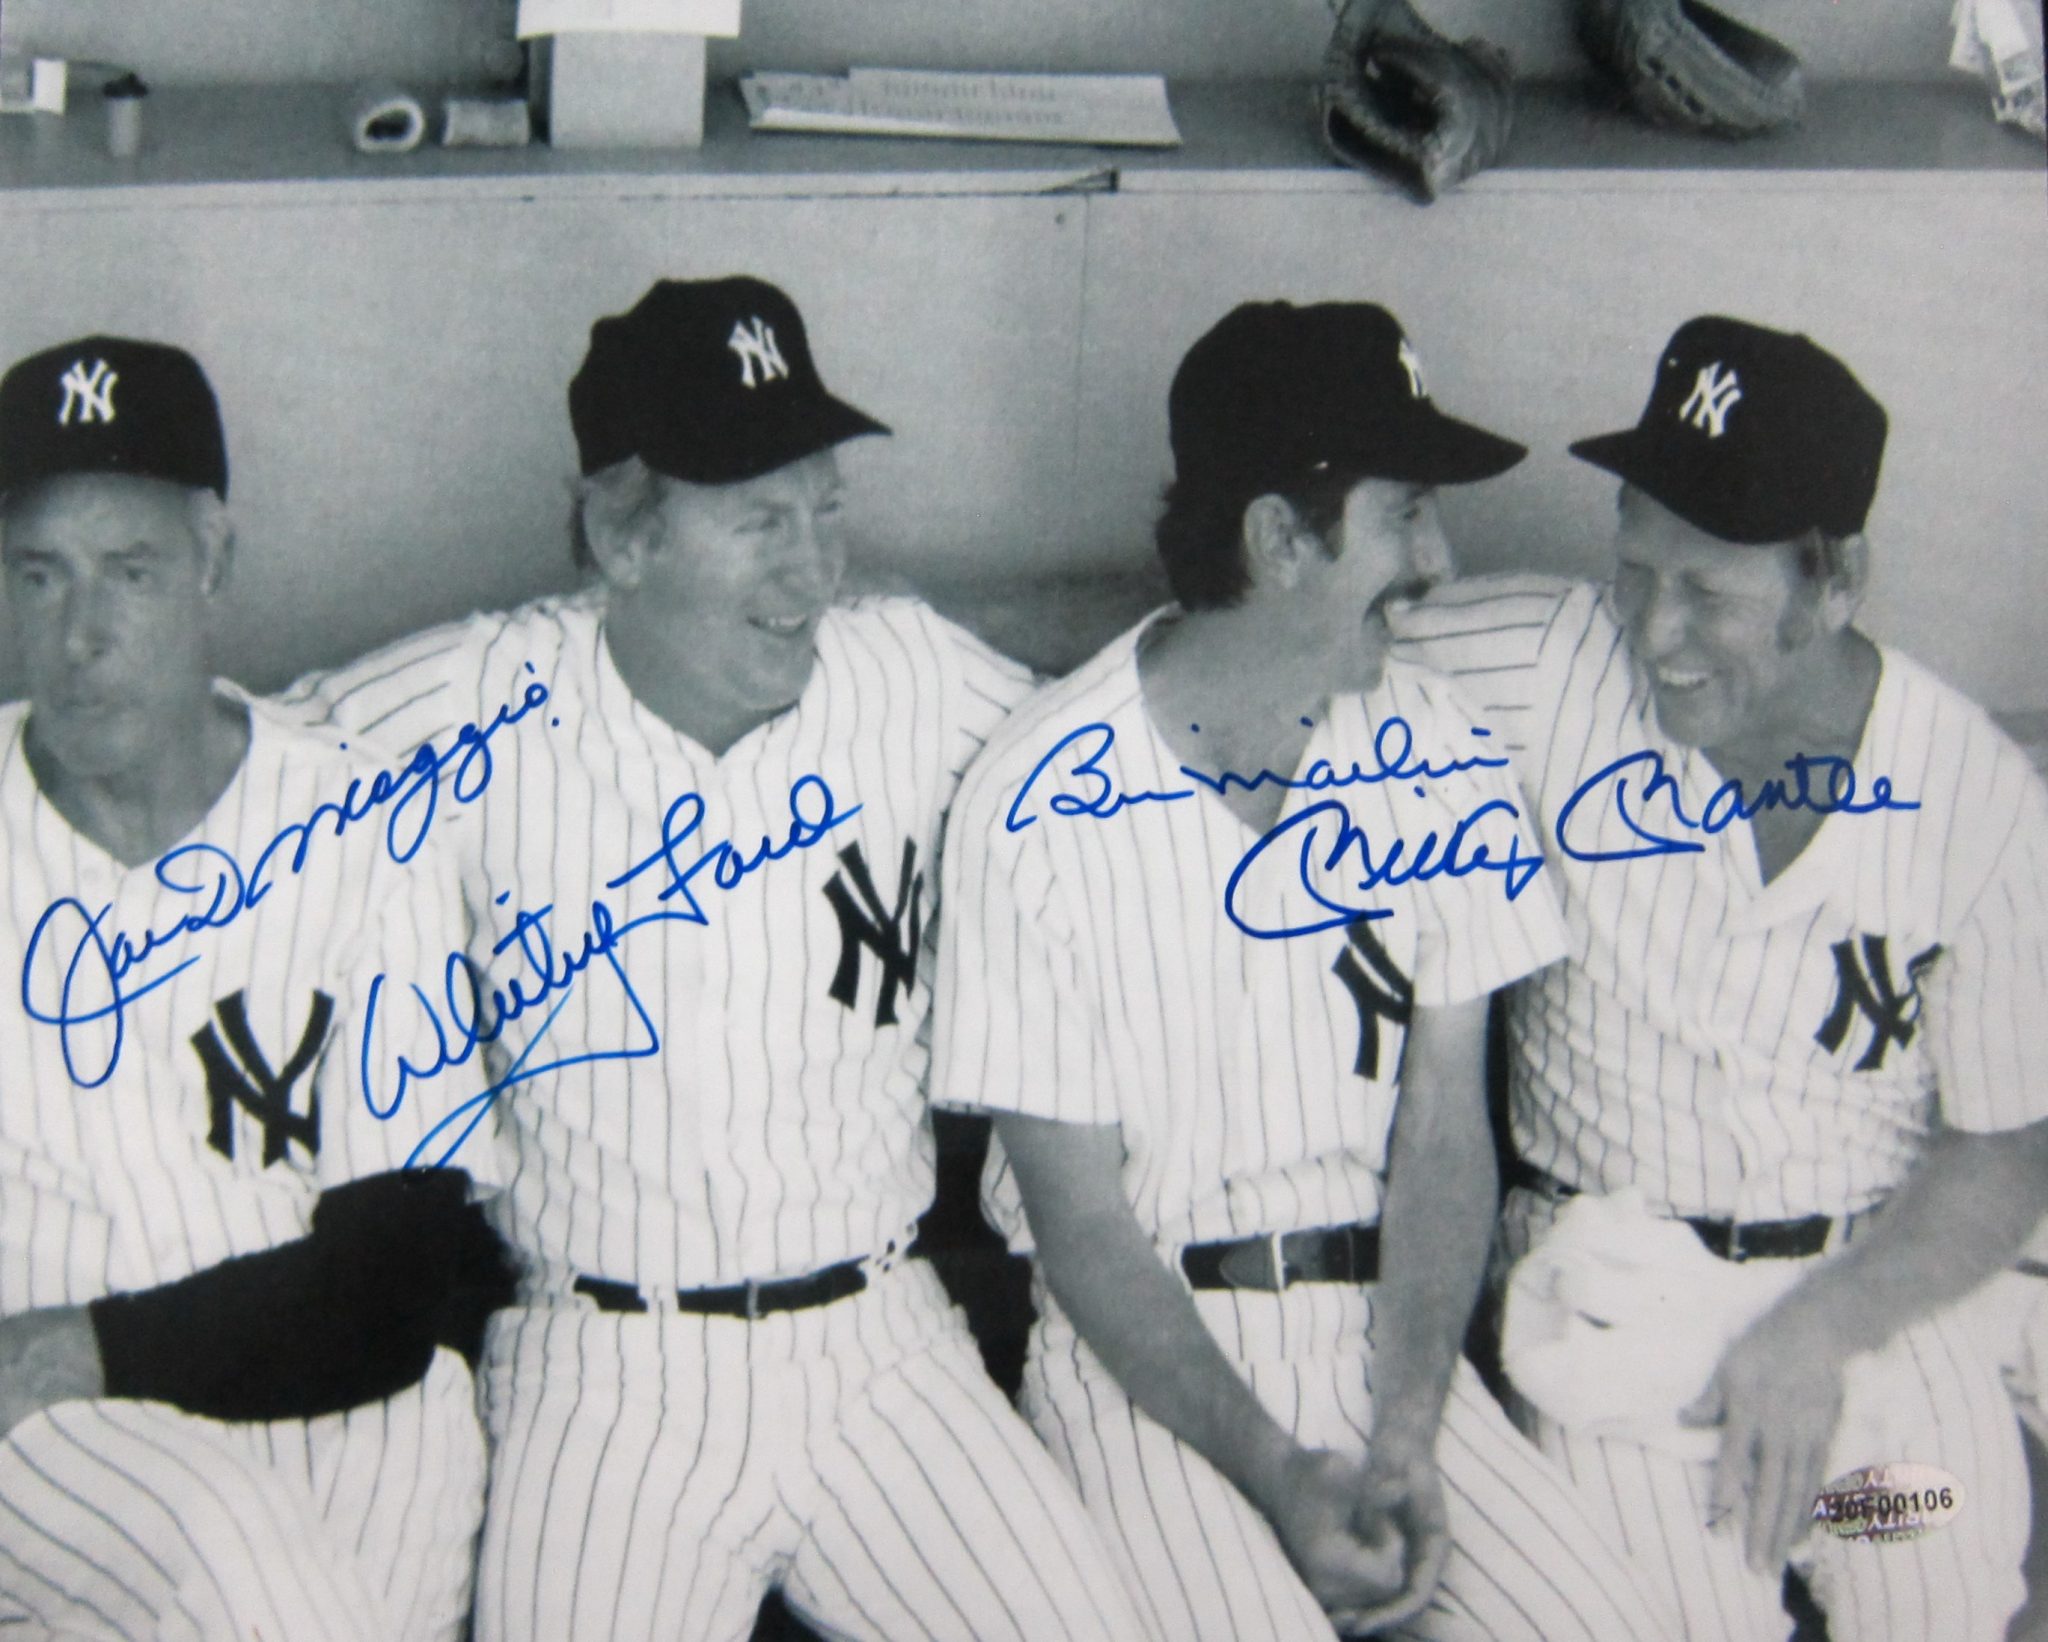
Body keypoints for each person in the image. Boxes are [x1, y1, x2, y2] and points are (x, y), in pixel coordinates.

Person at [287, 275, 1144, 1642]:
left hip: (884, 1346)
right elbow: (193, 786)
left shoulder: (905, 676)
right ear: (623, 541)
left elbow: (1129, 747)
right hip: (610, 1371)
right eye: (758, 522)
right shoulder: (468, 707)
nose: (815, 569)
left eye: (826, 511)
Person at [931, 300, 1682, 1642]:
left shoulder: (1441, 744)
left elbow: (1450, 1128)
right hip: (1150, 1372)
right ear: (1280, 539)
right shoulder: (1037, 796)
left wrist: (1405, 1425)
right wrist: (1276, 1469)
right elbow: (1083, 1224)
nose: (1441, 558)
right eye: (1406, 514)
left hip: (1394, 1337)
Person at [1395, 314, 2048, 1640]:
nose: (1655, 629)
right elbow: (1276, 646)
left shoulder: (1972, 792)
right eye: (1638, 568)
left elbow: (2000, 1151)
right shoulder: (1538, 664)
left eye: (1711, 593)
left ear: (1836, 582)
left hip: (1867, 1327)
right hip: (1621, 1317)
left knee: (1936, 1575)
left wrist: (1816, 1334)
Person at [0, 335, 505, 1641]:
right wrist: (59, 1360)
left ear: (214, 556)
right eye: (37, 573)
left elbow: (394, 1277)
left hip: (346, 1395)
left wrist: (91, 1339)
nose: (83, 633)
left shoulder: (360, 825)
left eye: (132, 570)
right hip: (41, 1425)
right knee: (241, 1565)